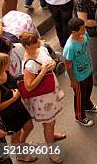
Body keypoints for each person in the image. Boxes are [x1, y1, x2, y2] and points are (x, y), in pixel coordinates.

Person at [19, 32, 65, 163]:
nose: (38, 46)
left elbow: (52, 62)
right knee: (49, 123)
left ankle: (50, 135)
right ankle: (51, 150)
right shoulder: (29, 64)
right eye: (34, 45)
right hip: (41, 98)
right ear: (27, 46)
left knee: (51, 121)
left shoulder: (40, 48)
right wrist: (43, 71)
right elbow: (28, 87)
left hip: (49, 93)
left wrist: (52, 65)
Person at [0, 53, 36, 163]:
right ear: (0, 65)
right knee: (15, 135)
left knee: (29, 126)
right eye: (7, 62)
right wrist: (14, 98)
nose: (10, 63)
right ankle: (20, 155)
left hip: (19, 107)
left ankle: (22, 144)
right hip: (8, 114)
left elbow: (15, 85)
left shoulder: (6, 72)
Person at [63, 17, 97, 127]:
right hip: (78, 77)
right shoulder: (70, 46)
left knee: (88, 91)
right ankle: (80, 116)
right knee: (79, 96)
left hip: (88, 71)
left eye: (84, 28)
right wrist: (73, 80)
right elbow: (68, 64)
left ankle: (88, 105)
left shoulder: (84, 36)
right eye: (82, 29)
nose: (84, 31)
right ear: (74, 32)